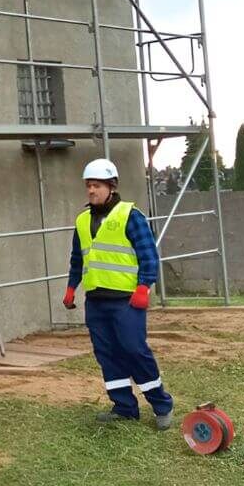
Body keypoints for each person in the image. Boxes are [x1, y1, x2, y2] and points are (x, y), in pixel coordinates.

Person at [63, 158, 175, 428]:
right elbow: (78, 258)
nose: (91, 190)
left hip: (126, 301)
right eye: (89, 185)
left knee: (134, 350)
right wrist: (71, 287)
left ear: (111, 187)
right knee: (107, 354)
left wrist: (144, 286)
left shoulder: (130, 216)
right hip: (96, 301)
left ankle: (162, 405)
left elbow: (148, 256)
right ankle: (124, 407)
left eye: (97, 185)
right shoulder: (82, 221)